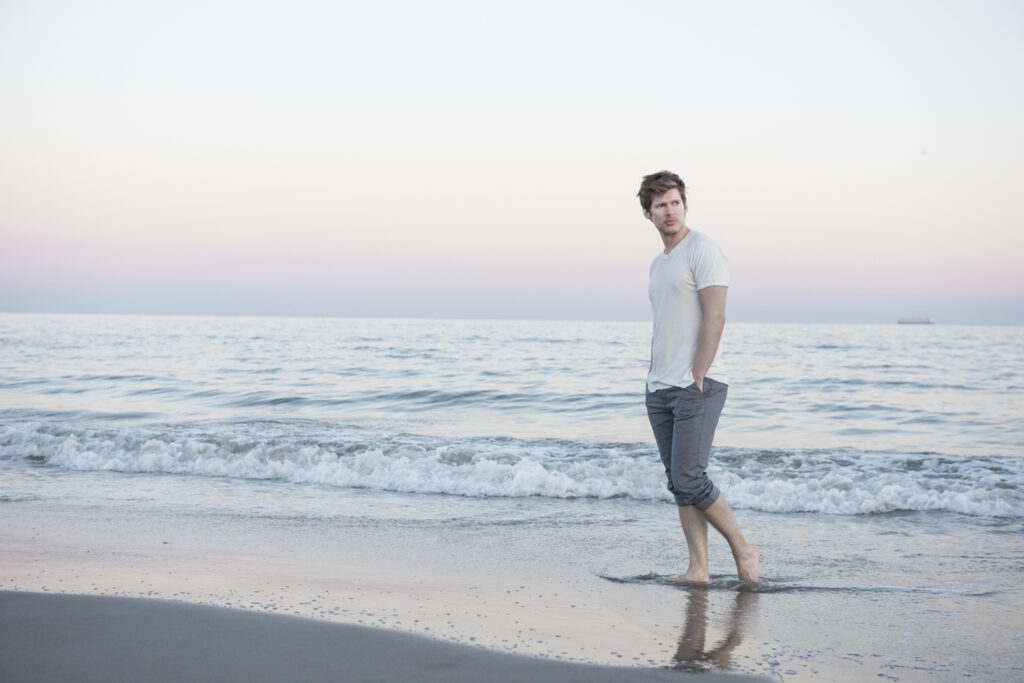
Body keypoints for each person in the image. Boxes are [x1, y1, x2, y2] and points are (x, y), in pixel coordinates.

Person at [639, 170, 760, 583]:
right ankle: (699, 568)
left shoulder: (703, 249)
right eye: (660, 206)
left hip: (697, 385)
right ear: (647, 214)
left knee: (690, 475)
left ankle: (744, 551)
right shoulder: (659, 264)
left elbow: (716, 316)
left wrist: (698, 374)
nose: (669, 211)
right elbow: (664, 321)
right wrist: (654, 369)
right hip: (660, 387)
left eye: (674, 202)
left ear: (684, 205)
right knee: (678, 481)